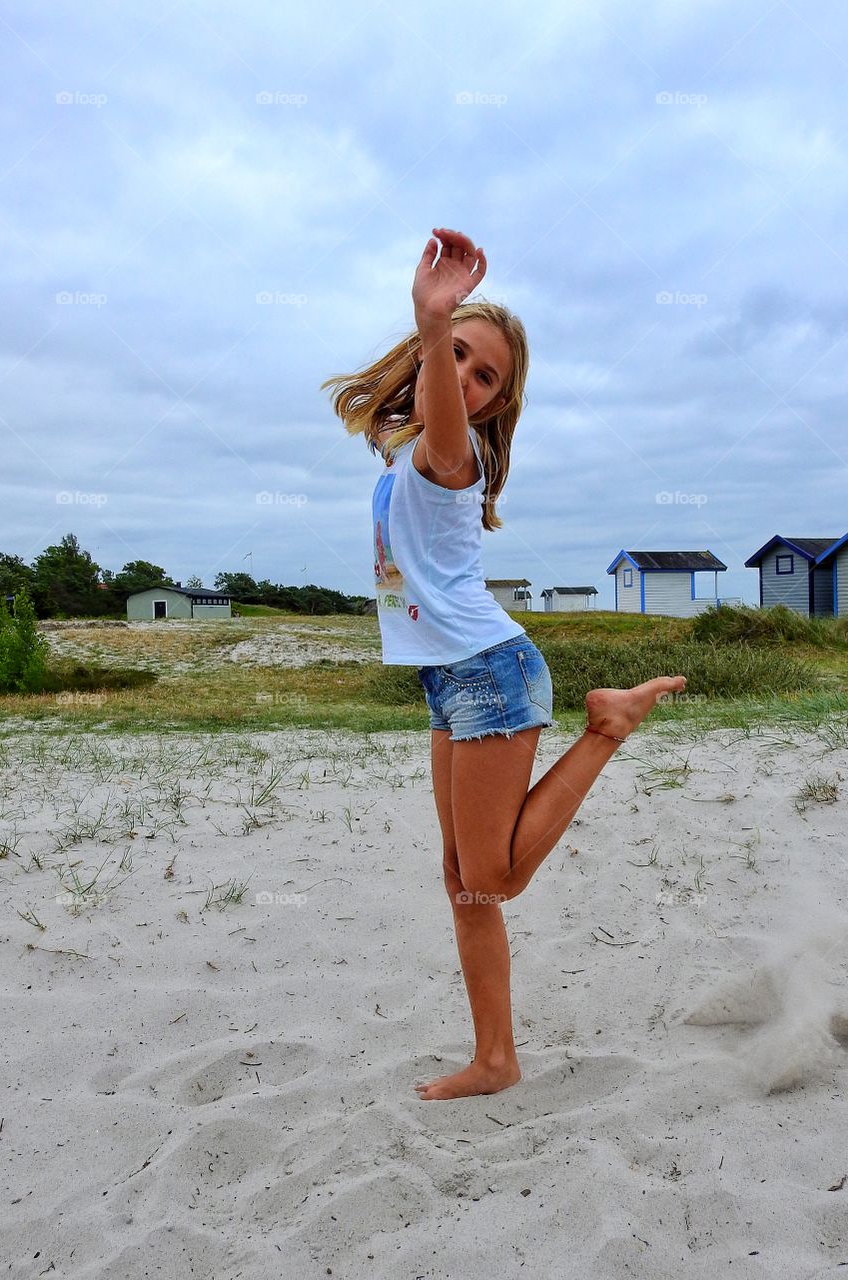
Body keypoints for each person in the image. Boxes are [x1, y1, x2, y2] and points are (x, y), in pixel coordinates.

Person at [322, 227, 686, 1101]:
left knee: (496, 877)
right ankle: (495, 1058)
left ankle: (607, 727)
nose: (465, 378)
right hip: (451, 680)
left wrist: (432, 312)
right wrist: (431, 331)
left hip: (490, 671)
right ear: (419, 357)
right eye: (454, 357)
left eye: (484, 375)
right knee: (462, 884)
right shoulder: (401, 452)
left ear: (488, 404)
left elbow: (440, 426)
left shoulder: (454, 453)